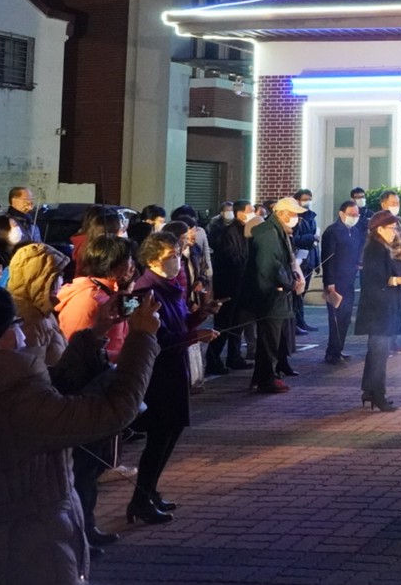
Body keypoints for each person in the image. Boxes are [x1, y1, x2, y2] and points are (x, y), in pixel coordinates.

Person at [0, 282, 161, 584]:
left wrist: (96, 332)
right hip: (23, 550)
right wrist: (142, 338)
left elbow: (56, 393)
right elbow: (110, 413)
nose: (22, 332)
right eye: (15, 323)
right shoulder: (7, 398)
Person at [128, 232, 217, 525]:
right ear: (153, 259)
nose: (177, 261)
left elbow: (180, 323)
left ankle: (150, 491)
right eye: (170, 256)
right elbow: (158, 337)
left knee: (171, 433)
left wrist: (202, 315)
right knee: (158, 437)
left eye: (178, 254)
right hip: (158, 375)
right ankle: (140, 499)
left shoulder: (170, 286)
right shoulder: (146, 290)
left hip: (174, 371)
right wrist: (193, 336)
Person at [54, 234, 135, 548]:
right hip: (87, 391)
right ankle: (80, 533)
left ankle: (86, 528)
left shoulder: (107, 293)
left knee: (93, 467)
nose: (132, 266)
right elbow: (77, 346)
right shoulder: (89, 298)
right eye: (128, 260)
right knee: (84, 470)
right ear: (114, 263)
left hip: (102, 383)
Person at [240, 196, 304, 394]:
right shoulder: (269, 232)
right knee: (269, 339)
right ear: (282, 213)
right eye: (293, 214)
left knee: (270, 339)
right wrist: (290, 283)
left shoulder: (277, 230)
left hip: (274, 294)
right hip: (270, 295)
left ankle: (263, 377)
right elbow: (270, 266)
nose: (296, 218)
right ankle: (267, 379)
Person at [357, 211, 401, 411]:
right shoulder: (376, 248)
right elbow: (377, 279)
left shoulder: (381, 247)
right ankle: (377, 394)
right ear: (380, 229)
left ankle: (369, 391)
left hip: (380, 309)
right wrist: (400, 280)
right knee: (379, 354)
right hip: (378, 311)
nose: (394, 233)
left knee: (376, 353)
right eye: (391, 229)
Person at [5, 243, 70, 367]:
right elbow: (33, 374)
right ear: (37, 280)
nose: (60, 282)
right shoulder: (30, 321)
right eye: (56, 276)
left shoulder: (41, 311)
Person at [206, 200, 250, 374]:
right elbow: (232, 257)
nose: (252, 213)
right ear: (239, 213)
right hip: (229, 284)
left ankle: (234, 356)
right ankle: (213, 359)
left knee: (237, 323)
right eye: (249, 210)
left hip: (239, 284)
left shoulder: (244, 231)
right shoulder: (230, 232)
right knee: (224, 323)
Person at [320, 200, 364, 365]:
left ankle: (338, 348)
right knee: (336, 318)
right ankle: (332, 352)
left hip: (350, 279)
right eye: (351, 214)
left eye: (356, 215)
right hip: (336, 281)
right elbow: (328, 259)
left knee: (345, 317)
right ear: (341, 214)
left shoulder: (356, 230)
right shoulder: (333, 232)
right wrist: (329, 282)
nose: (354, 217)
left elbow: (358, 251)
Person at [290, 189, 319, 334]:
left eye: (310, 198)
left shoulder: (311, 217)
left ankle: (301, 322)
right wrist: (311, 238)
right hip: (300, 261)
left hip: (309, 260)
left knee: (302, 294)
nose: (308, 201)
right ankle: (295, 323)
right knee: (297, 294)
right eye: (305, 199)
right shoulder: (296, 218)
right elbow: (294, 240)